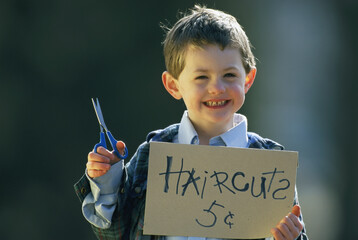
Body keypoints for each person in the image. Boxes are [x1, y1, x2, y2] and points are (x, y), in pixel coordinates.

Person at [74, 5, 308, 240]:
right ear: (173, 85)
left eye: (229, 75)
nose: (216, 88)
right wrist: (108, 178)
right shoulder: (152, 154)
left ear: (247, 80)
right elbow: (115, 233)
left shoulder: (271, 167)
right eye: (201, 77)